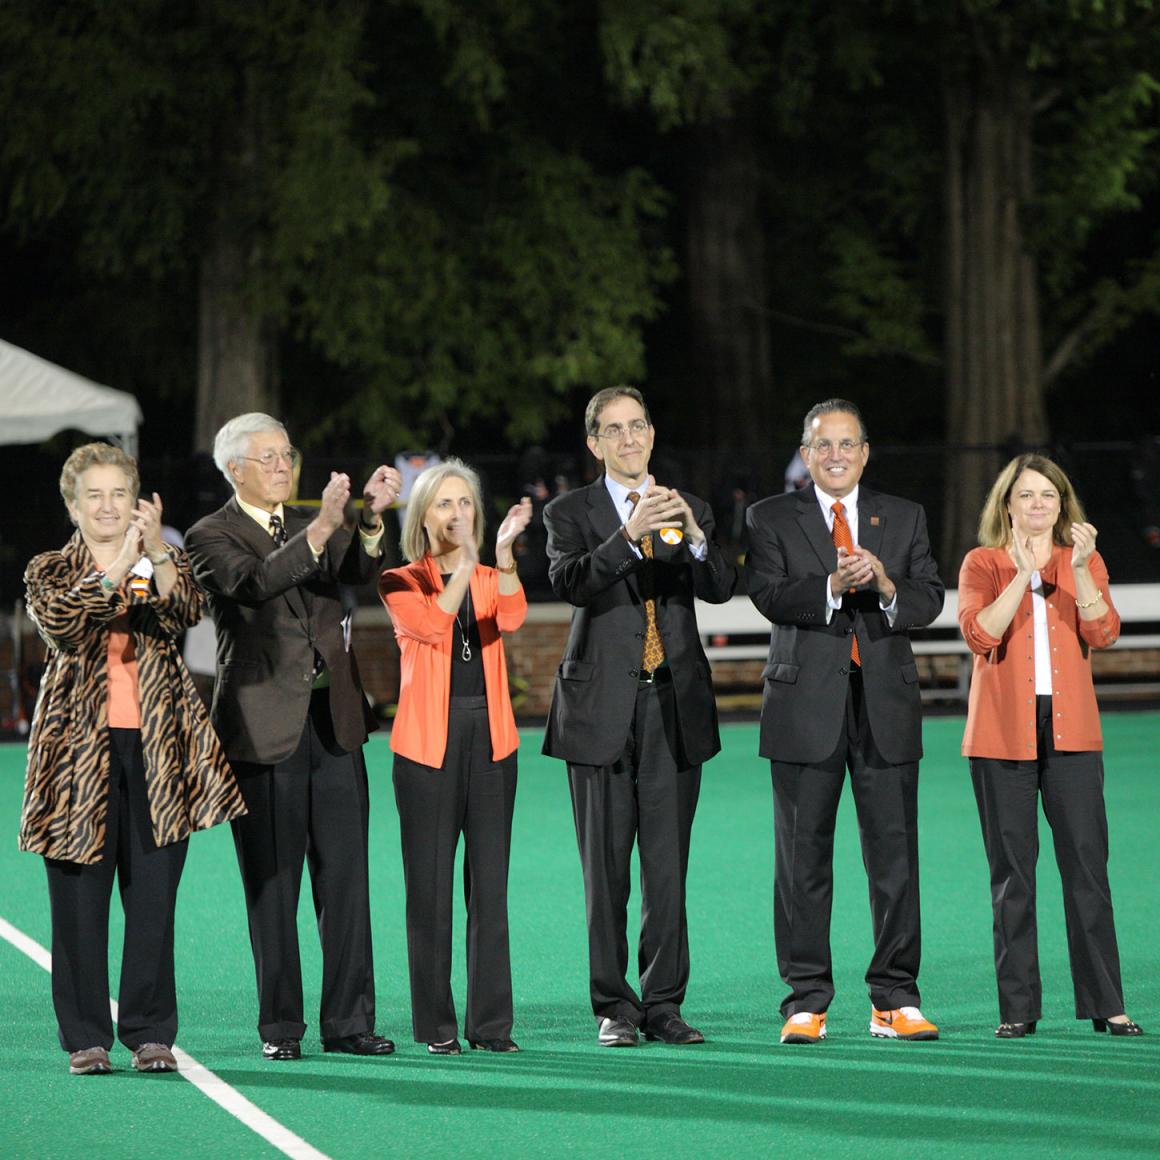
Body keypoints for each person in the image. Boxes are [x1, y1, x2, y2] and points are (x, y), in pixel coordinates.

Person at [20, 442, 245, 1076]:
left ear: (137, 500)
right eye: (94, 494)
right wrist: (122, 561)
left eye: (120, 492)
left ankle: (149, 1032)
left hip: (158, 750)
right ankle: (85, 1037)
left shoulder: (156, 561)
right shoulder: (49, 570)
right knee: (78, 903)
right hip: (75, 758)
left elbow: (184, 612)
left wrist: (159, 559)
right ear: (72, 505)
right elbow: (66, 622)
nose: (109, 504)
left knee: (152, 899)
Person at [185, 413, 402, 1062]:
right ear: (234, 470)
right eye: (269, 456)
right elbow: (255, 583)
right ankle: (281, 1028)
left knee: (346, 879)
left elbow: (360, 571)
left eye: (288, 453)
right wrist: (326, 526)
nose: (285, 465)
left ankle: (350, 1022)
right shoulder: (209, 535)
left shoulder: (318, 520)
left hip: (333, 722)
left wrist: (368, 519)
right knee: (272, 884)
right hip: (260, 731)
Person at [745, 398, 944, 1045]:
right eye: (822, 445)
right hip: (804, 708)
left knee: (895, 859)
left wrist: (886, 585)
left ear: (864, 452)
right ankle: (806, 999)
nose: (835, 455)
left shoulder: (904, 516)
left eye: (847, 444)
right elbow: (767, 593)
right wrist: (831, 586)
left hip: (885, 706)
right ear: (805, 455)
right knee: (802, 860)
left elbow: (929, 596)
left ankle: (895, 997)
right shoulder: (770, 517)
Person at [542, 386, 736, 1048]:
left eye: (638, 427)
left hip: (671, 707)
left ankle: (664, 1004)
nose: (629, 439)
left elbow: (719, 588)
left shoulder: (688, 508)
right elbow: (568, 582)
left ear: (652, 435)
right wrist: (628, 538)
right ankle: (614, 1006)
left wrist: (701, 540)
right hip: (599, 710)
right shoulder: (569, 513)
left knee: (667, 866)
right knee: (605, 871)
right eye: (614, 430)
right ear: (595, 443)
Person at [958, 453, 1144, 1039]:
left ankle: (1106, 1004)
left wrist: (1082, 571)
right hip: (999, 734)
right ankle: (1018, 1008)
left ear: (1062, 506)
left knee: (1088, 868)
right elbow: (979, 635)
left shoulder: (1082, 560)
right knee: (1013, 874)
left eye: (1048, 496)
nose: (1037, 505)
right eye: (1026, 495)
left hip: (1072, 731)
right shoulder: (981, 562)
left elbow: (1104, 633)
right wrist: (1020, 573)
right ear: (1006, 505)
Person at [380, 460, 532, 1055]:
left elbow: (514, 616)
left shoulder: (493, 574)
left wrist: (504, 556)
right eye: (444, 504)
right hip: (425, 750)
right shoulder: (400, 580)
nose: (457, 514)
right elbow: (435, 626)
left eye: (465, 503)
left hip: (492, 742)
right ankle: (437, 1026)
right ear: (423, 516)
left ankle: (492, 1025)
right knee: (430, 891)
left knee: (490, 890)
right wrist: (468, 565)